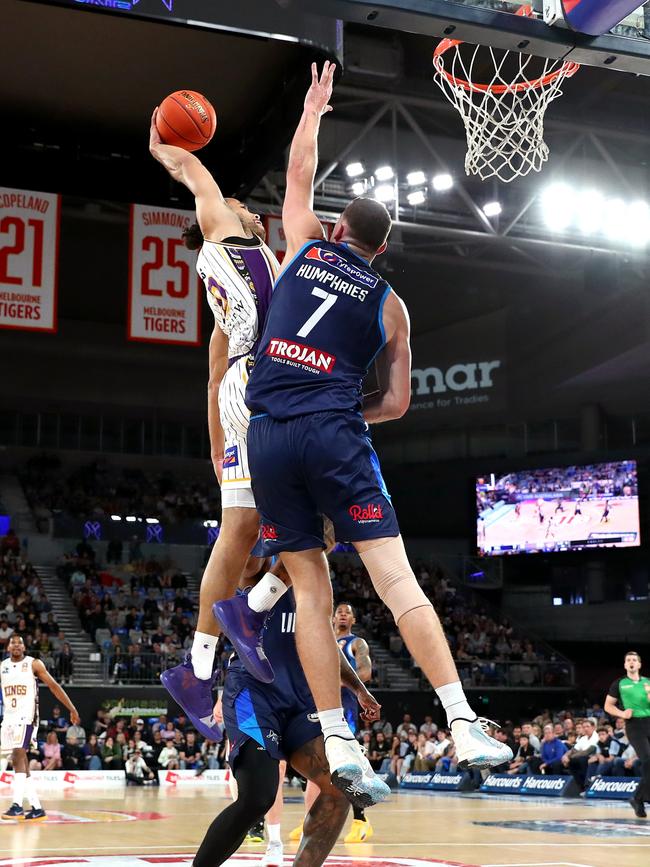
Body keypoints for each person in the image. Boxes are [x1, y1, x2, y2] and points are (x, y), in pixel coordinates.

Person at [230, 60, 511, 802]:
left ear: (335, 229)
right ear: (380, 249)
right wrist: (350, 414)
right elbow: (397, 401)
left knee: (311, 596)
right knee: (394, 580)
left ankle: (340, 740)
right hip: (331, 425)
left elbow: (295, 170)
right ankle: (462, 719)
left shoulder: (299, 246)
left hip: (268, 435)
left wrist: (314, 111)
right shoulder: (391, 305)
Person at [149, 109, 284, 739]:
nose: (243, 203)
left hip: (248, 384)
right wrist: (163, 140)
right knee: (274, 526)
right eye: (236, 199)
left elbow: (212, 378)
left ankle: (203, 664)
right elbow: (192, 169)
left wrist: (216, 448)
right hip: (255, 385)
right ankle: (235, 630)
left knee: (261, 527)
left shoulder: (246, 268)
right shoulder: (225, 230)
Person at [193, 555, 379, 867]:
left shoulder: (317, 577)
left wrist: (358, 688)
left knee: (339, 790)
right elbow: (243, 553)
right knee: (258, 795)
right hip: (255, 693)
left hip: (301, 697)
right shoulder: (262, 563)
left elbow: (326, 644)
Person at [290, 601, 375, 844]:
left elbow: (366, 673)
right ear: (332, 616)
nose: (343, 615)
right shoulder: (321, 640)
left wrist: (331, 680)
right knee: (314, 762)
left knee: (344, 763)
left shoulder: (357, 643)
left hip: (343, 709)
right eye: (340, 612)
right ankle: (310, 818)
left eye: (348, 613)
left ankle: (361, 820)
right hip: (315, 705)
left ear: (353, 620)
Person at [1, 633, 80, 821]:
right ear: (8, 648)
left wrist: (72, 708)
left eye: (20, 643)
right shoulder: (2, 667)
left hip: (27, 717)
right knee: (21, 762)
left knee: (18, 754)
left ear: (24, 648)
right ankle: (37, 808)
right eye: (13, 643)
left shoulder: (34, 663)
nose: (17, 646)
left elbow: (53, 686)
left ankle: (17, 805)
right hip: (9, 718)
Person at [605, 650, 650, 817]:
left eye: (634, 660)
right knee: (647, 760)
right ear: (625, 665)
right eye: (628, 660)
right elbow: (608, 706)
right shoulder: (619, 684)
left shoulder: (648, 682)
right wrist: (622, 714)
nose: (631, 662)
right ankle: (640, 799)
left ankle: (637, 799)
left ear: (639, 664)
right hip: (634, 725)